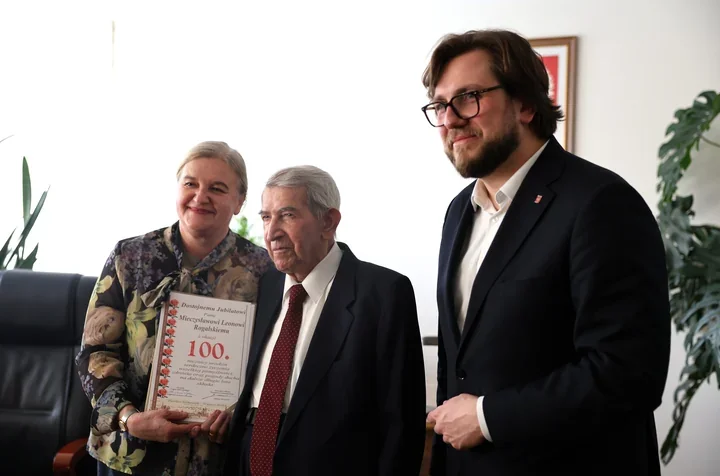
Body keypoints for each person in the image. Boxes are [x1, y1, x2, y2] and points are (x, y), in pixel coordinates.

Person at [421, 29, 670, 475]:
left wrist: (486, 417)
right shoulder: (459, 211)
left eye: (468, 97)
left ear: (525, 105)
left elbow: (627, 374)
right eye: (439, 106)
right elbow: (458, 367)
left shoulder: (600, 202)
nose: (450, 119)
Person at [76, 141, 273, 475]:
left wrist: (239, 414)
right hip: (131, 452)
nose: (200, 196)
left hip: (217, 458)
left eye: (217, 188)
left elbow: (269, 363)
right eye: (190, 183)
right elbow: (96, 353)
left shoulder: (263, 270)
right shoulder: (130, 256)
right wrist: (129, 418)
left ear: (240, 201)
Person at [222, 165, 426, 476]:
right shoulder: (264, 285)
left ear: (328, 222)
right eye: (266, 217)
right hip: (249, 458)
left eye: (287, 215)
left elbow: (401, 422)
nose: (271, 232)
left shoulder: (384, 293)